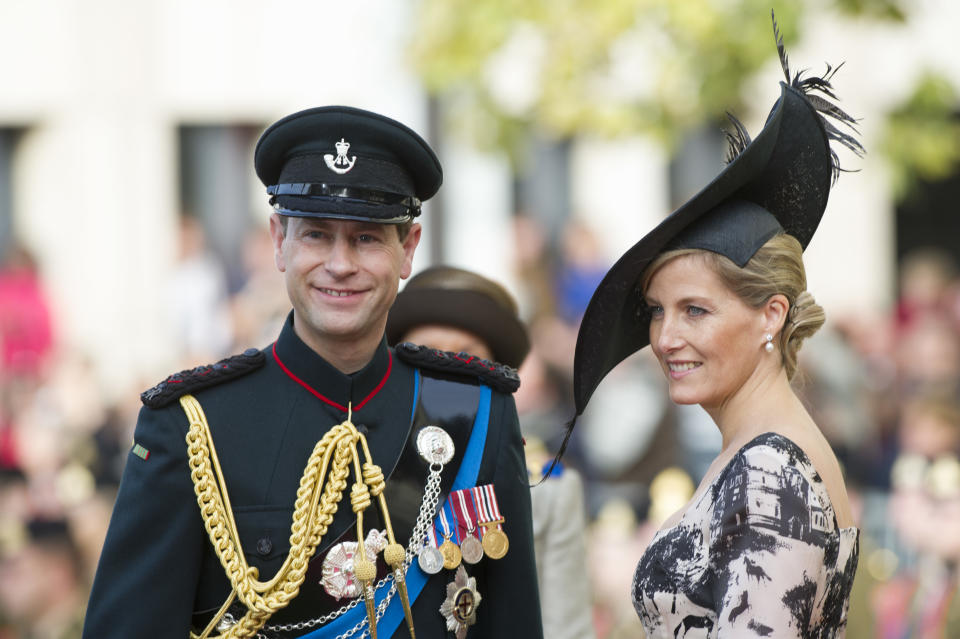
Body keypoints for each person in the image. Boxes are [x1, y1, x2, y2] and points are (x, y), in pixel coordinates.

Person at [83, 106, 542, 639]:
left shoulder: (475, 410)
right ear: (279, 240)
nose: (340, 264)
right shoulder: (191, 427)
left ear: (408, 249)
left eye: (367, 238)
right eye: (317, 236)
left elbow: (513, 622)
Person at [565, 15, 862, 637]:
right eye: (656, 311)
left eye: (695, 310)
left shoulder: (773, 471)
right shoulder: (752, 449)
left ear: (770, 315)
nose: (666, 337)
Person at [386, 265, 596, 639]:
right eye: (425, 355)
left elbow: (565, 628)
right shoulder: (363, 473)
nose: (444, 374)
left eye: (464, 359)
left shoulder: (548, 492)